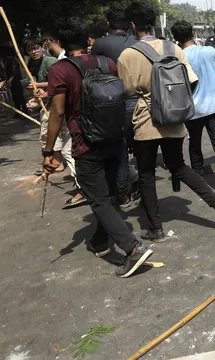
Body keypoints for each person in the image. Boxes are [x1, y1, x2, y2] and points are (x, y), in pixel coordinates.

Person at [42, 17, 153, 278]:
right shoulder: (107, 63)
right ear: (88, 40)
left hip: (86, 142)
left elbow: (57, 113)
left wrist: (49, 151)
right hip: (114, 138)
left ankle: (132, 249)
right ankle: (100, 242)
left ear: (59, 43)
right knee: (111, 196)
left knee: (99, 200)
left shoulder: (61, 70)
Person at [118, 1, 215, 241]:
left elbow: (127, 92)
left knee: (146, 173)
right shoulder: (174, 48)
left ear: (132, 25)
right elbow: (191, 80)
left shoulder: (127, 55)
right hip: (174, 118)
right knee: (178, 166)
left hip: (146, 120)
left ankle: (155, 228)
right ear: (152, 22)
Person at [171, 20, 215, 198]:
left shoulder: (177, 57)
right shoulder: (209, 51)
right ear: (193, 33)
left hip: (192, 109)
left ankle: (198, 179)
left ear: (175, 38)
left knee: (195, 144)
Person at [91, 5, 141, 209]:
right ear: (130, 24)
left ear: (107, 24)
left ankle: (123, 193)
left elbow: (95, 75)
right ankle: (142, 186)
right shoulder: (138, 42)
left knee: (119, 150)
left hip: (113, 102)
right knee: (140, 148)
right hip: (139, 99)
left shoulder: (100, 45)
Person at [27, 36, 86, 207]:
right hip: (72, 113)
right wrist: (44, 95)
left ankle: (84, 189)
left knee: (70, 150)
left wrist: (48, 151)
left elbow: (59, 111)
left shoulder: (60, 62)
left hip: (71, 114)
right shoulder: (81, 60)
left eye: (42, 46)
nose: (36, 51)